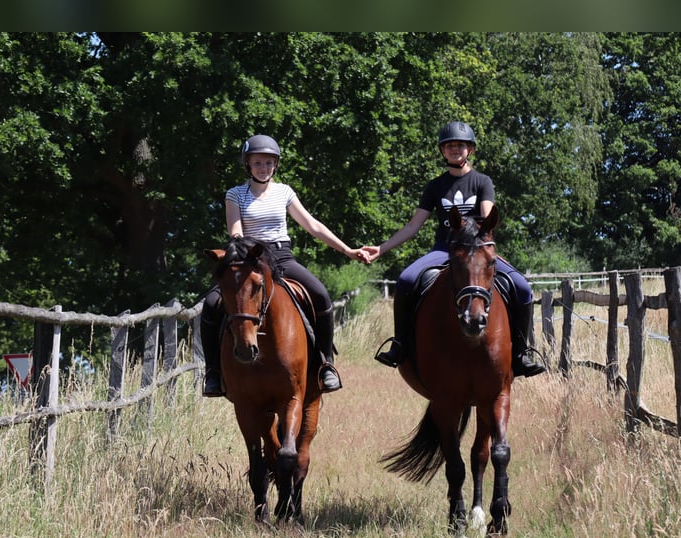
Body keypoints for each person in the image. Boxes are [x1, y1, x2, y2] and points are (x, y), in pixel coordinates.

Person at [364, 121, 545, 378]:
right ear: (442, 151)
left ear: (470, 149)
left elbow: (486, 218)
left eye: (460, 145)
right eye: (449, 146)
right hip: (445, 249)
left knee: (523, 287)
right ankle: (400, 345)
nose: (454, 149)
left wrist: (483, 241)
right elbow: (414, 225)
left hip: (478, 249)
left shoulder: (482, 181)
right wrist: (381, 249)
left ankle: (521, 353)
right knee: (405, 280)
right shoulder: (435, 186)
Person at [201, 134, 369, 397]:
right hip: (250, 259)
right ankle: (213, 373)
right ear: (248, 164)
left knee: (321, 295)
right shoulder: (235, 194)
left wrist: (347, 250)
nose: (263, 168)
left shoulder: (284, 192)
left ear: (275, 165)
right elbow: (235, 230)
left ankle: (326, 364)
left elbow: (312, 225)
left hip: (282, 257)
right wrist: (242, 254)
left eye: (269, 163)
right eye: (257, 163)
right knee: (211, 304)